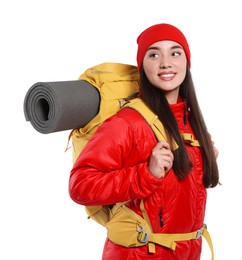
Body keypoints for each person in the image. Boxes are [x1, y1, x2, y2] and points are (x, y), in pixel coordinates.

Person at [69, 23, 219, 259]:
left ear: (187, 62)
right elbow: (81, 185)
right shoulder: (128, 122)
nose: (166, 63)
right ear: (142, 66)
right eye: (154, 54)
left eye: (175, 52)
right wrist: (145, 174)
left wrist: (206, 159)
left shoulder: (190, 121)